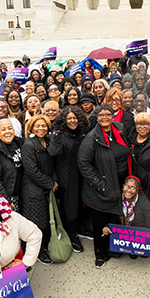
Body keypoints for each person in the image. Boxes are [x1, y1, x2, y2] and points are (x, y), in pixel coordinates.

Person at [78, 104, 130, 268]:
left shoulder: (120, 129)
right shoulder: (92, 137)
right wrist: (99, 184)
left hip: (121, 180)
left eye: (108, 114)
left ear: (113, 115)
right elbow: (83, 163)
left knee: (115, 218)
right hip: (101, 186)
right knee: (101, 221)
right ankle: (100, 253)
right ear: (96, 117)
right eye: (101, 115)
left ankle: (115, 248)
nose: (105, 117)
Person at [49, 106, 88, 253]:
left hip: (80, 175)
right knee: (70, 206)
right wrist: (57, 131)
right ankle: (72, 234)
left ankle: (81, 229)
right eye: (69, 118)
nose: (72, 121)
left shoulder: (82, 133)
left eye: (75, 118)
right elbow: (54, 151)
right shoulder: (60, 134)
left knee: (81, 203)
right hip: (65, 177)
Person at [21, 115, 56, 265]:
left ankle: (46, 247)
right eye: (37, 126)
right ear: (31, 128)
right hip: (32, 190)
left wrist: (54, 181)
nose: (41, 128)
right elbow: (32, 171)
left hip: (46, 187)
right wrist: (50, 183)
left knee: (47, 221)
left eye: (44, 126)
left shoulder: (48, 142)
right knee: (36, 223)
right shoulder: (29, 145)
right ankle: (38, 252)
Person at [101, 176, 150, 259]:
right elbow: (114, 219)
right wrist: (107, 227)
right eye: (126, 186)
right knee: (114, 253)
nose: (128, 190)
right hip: (123, 233)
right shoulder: (118, 199)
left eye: (133, 188)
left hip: (138, 232)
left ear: (137, 190)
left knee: (143, 254)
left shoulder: (144, 202)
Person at [0, 119, 25, 210]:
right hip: (7, 197)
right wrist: (5, 200)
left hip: (22, 195)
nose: (7, 131)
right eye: (3, 129)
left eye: (10, 128)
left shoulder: (20, 144)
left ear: (14, 131)